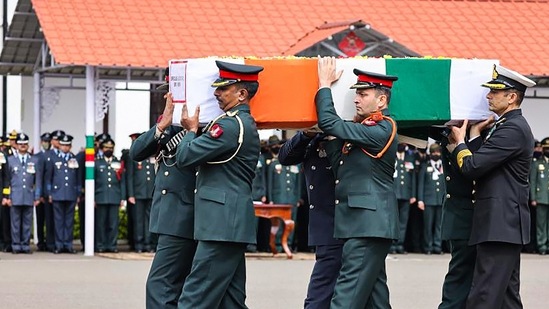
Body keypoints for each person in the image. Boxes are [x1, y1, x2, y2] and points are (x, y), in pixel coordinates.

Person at [175, 60, 263, 308]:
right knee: (231, 301)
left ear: (242, 93)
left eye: (224, 88)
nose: (217, 93)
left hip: (221, 225)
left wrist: (190, 131)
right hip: (229, 224)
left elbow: (185, 157)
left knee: (195, 297)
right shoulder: (238, 123)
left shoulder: (229, 125)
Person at [448, 64, 536, 308]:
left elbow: (473, 167)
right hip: (501, 223)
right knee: (507, 297)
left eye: (495, 92)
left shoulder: (512, 129)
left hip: (500, 223)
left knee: (484, 295)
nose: (488, 96)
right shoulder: (504, 126)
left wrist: (459, 144)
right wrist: (475, 136)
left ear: (511, 97)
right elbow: (487, 162)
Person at [316, 57, 399, 308]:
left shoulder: (382, 129)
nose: (356, 99)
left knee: (346, 295)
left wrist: (324, 85)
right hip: (363, 223)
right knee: (375, 298)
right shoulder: (362, 130)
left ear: (381, 101)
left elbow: (329, 121)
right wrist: (332, 138)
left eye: (363, 94)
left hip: (368, 224)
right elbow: (340, 164)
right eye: (356, 94)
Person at [130, 82, 198, 309]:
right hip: (168, 216)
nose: (170, 97)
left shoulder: (200, 126)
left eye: (175, 92)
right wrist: (162, 125)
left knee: (161, 285)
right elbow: (136, 152)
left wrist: (191, 130)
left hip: (184, 215)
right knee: (174, 285)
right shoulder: (168, 126)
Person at [279, 130, 344, 309]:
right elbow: (285, 157)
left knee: (320, 293)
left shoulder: (346, 133)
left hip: (340, 224)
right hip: (324, 226)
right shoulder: (312, 139)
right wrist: (306, 134)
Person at [430, 126, 476, 309]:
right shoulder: (452, 141)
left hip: (469, 217)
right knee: (461, 276)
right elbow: (471, 169)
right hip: (464, 218)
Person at [44, 134, 81, 254]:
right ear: (59, 145)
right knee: (58, 221)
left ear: (70, 146)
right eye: (63, 145)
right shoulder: (53, 158)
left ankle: (68, 244)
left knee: (69, 221)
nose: (65, 147)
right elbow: (49, 177)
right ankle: (59, 244)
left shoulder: (73, 158)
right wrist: (49, 193)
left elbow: (78, 177)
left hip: (70, 193)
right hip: (57, 193)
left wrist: (78, 193)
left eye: (67, 145)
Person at [6, 133, 42, 254]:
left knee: (27, 222)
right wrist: (7, 196)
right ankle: (16, 245)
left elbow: (38, 180)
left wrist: (37, 196)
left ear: (28, 145)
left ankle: (25, 245)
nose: (23, 146)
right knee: (15, 223)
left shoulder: (34, 160)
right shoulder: (10, 160)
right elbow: (7, 180)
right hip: (15, 195)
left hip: (28, 195)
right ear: (16, 145)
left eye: (25, 144)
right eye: (20, 144)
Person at [94, 138, 125, 253]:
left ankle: (112, 245)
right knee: (101, 223)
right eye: (106, 148)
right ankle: (101, 245)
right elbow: (94, 181)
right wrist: (93, 198)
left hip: (114, 196)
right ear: (102, 149)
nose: (109, 150)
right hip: (101, 196)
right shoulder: (97, 162)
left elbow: (122, 181)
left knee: (113, 224)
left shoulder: (118, 162)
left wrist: (122, 197)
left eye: (111, 148)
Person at [126, 132, 156, 253]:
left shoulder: (152, 157)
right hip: (138, 194)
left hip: (149, 193)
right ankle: (138, 243)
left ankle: (147, 243)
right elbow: (130, 177)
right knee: (138, 221)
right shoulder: (134, 158)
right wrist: (131, 194)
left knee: (148, 220)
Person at [417, 143, 446, 254]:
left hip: (440, 199)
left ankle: (437, 246)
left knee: (439, 225)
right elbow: (421, 184)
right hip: (428, 200)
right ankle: (428, 247)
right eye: (434, 152)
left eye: (438, 152)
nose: (436, 154)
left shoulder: (443, 166)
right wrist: (420, 200)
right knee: (427, 226)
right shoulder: (425, 166)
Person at [392, 143, 416, 254]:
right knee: (393, 221)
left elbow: (414, 178)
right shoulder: (391, 155)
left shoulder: (410, 157)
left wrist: (413, 195)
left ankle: (400, 244)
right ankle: (392, 245)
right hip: (393, 194)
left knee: (403, 222)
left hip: (406, 194)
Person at [530, 137, 549, 255]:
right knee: (541, 225)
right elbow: (533, 181)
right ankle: (542, 246)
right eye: (546, 148)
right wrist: (533, 198)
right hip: (541, 198)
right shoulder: (537, 163)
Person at [34, 132, 52, 251]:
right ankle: (40, 241)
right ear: (41, 142)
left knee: (50, 219)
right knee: (40, 219)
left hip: (49, 193)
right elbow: (36, 178)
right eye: (44, 141)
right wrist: (37, 194)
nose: (46, 143)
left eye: (48, 141)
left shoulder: (53, 156)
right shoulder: (36, 157)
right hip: (40, 193)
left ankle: (50, 241)